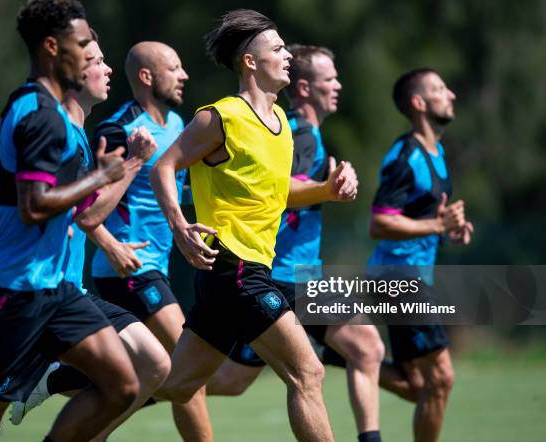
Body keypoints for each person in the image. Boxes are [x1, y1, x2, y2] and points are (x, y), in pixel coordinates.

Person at [0, 1, 144, 441]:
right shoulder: (42, 117)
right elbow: (34, 204)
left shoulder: (32, 107)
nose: (90, 53)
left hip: (55, 292)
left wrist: (48, 216)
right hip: (8, 291)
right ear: (53, 46)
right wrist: (101, 177)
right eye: (83, 43)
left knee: (122, 386)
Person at [150, 10, 357, 442]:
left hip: (244, 271)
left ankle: (61, 381)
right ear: (249, 61)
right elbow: (164, 167)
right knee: (308, 372)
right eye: (278, 49)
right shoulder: (221, 116)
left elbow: (277, 194)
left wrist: (325, 191)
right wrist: (179, 225)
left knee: (177, 384)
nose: (287, 56)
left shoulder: (281, 125)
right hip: (233, 266)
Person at [205, 44, 385, 442]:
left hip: (292, 273)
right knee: (365, 347)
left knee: (230, 381)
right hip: (289, 274)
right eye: (329, 79)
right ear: (304, 87)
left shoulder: (304, 132)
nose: (338, 85)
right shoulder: (301, 134)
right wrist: (328, 188)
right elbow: (280, 190)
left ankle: (135, 385)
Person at [88, 41, 214, 441]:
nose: (184, 75)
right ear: (146, 76)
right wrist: (111, 244)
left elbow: (176, 192)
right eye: (174, 68)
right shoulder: (119, 130)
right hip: (129, 268)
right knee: (186, 371)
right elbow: (88, 206)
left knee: (162, 374)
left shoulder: (178, 126)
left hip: (156, 268)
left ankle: (84, 426)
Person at [368, 68, 473, 442]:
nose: (451, 95)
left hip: (411, 276)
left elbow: (425, 218)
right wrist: (437, 227)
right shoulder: (405, 156)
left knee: (419, 386)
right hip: (399, 279)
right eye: (439, 89)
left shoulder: (438, 153)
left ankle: (341, 352)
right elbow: (379, 223)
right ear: (419, 103)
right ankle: (342, 350)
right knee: (440, 378)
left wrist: (450, 230)